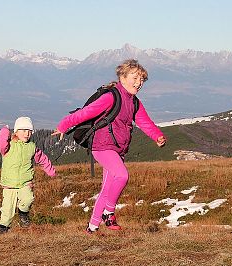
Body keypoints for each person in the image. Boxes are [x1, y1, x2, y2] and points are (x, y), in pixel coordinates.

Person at [52, 59, 166, 234]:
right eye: (135, 78)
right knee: (122, 176)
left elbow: (144, 122)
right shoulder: (111, 97)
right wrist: (63, 125)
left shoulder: (134, 102)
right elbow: (86, 113)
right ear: (122, 77)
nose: (139, 83)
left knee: (107, 188)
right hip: (102, 146)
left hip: (118, 148)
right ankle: (109, 212)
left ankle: (92, 227)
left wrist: (157, 136)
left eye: (142, 79)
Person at [0, 116, 56, 234]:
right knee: (7, 210)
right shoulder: (8, 146)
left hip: (25, 182)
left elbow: (42, 159)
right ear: (16, 132)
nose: (27, 134)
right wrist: (4, 131)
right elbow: (0, 144)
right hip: (9, 184)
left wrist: (50, 170)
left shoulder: (31, 147)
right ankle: (3, 228)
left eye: (29, 131)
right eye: (24, 130)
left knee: (28, 199)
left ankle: (23, 214)